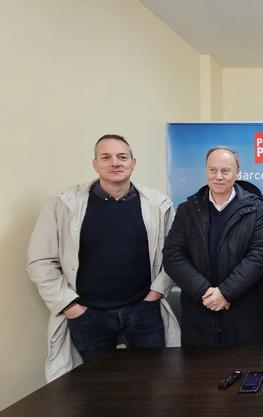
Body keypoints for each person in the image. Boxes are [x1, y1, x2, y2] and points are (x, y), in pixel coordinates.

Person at [27, 134, 180, 381]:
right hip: (88, 315)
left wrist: (155, 294)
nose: (115, 163)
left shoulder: (158, 204)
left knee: (155, 384)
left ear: (133, 162)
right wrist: (69, 306)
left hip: (144, 311)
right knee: (95, 389)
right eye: (106, 157)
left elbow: (174, 254)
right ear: (95, 164)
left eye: (122, 157)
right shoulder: (64, 205)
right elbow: (40, 261)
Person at [163, 146, 263, 347]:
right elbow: (173, 255)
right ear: (206, 171)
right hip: (199, 312)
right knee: (200, 375)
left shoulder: (256, 209)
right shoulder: (187, 210)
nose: (218, 176)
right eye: (212, 170)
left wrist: (225, 293)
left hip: (242, 312)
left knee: (247, 372)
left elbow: (260, 254)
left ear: (237, 173)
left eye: (225, 171)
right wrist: (205, 292)